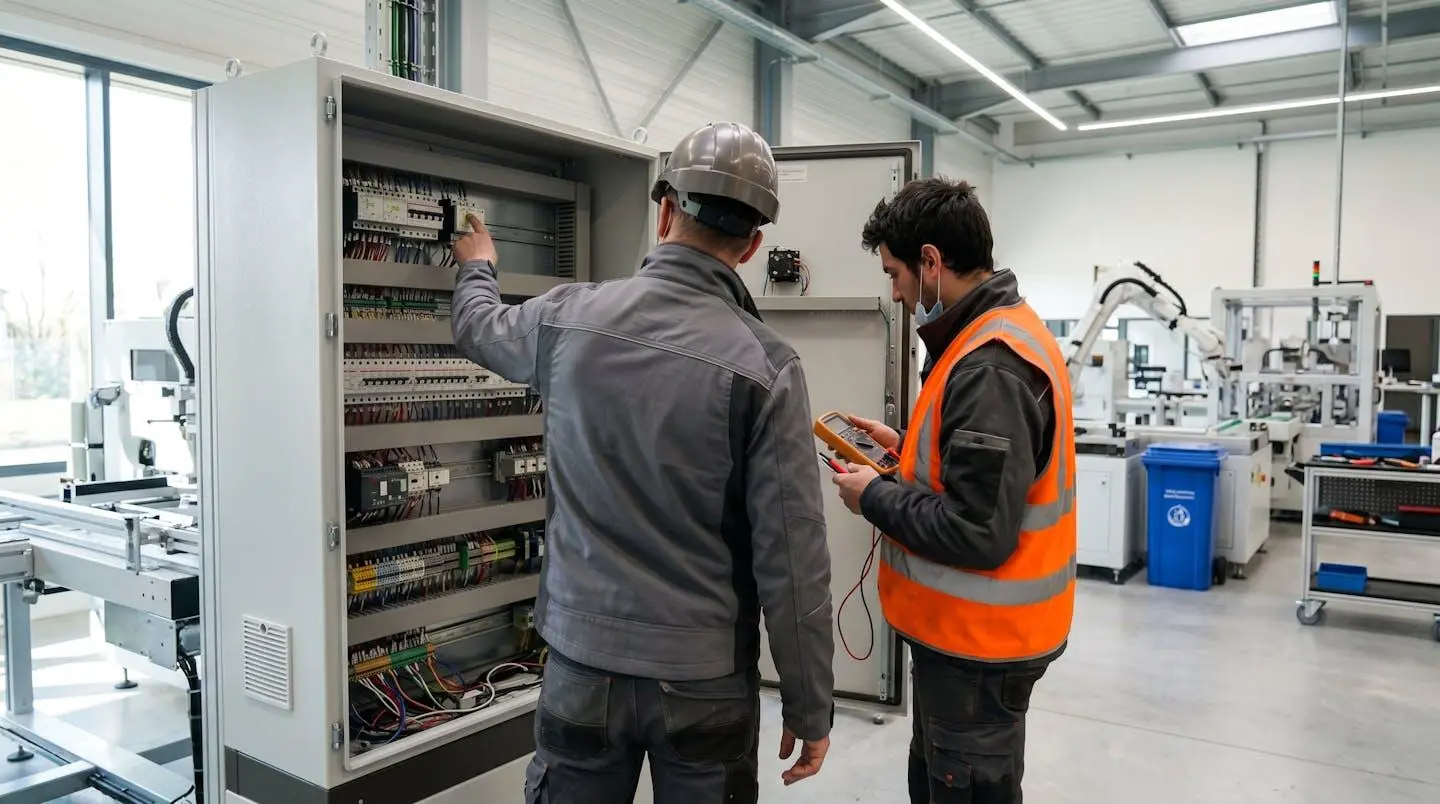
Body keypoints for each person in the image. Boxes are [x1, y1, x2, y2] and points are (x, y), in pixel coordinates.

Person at [449, 121, 834, 804]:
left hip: (580, 664)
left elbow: (478, 328)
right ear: (752, 246)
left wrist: (478, 263)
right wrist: (810, 706)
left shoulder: (564, 320)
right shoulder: (767, 367)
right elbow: (793, 560)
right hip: (703, 680)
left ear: (664, 211)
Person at [829, 178, 1076, 804]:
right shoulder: (994, 333)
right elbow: (979, 473)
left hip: (980, 651)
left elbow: (976, 530)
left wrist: (872, 496)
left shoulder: (990, 363)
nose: (895, 293)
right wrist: (906, 444)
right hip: (973, 646)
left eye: (896, 273)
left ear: (932, 262)